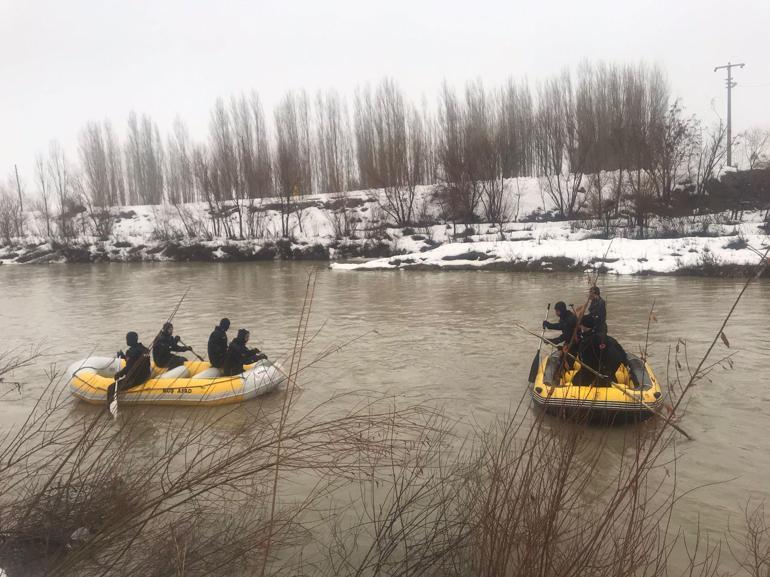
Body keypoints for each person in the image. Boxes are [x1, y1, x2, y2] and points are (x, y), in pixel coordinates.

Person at [572, 316, 637, 387]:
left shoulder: (588, 341)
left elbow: (586, 361)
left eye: (581, 325)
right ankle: (609, 379)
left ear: (584, 326)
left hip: (603, 366)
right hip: (613, 363)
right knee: (607, 376)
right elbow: (620, 351)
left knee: (577, 381)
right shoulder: (606, 337)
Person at [107, 331, 151, 407]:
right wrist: (123, 356)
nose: (126, 341)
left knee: (111, 388)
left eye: (127, 339)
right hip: (146, 376)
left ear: (131, 340)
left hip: (136, 379)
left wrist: (119, 374)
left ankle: (110, 408)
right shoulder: (145, 349)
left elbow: (129, 368)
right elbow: (135, 361)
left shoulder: (130, 352)